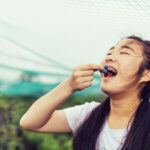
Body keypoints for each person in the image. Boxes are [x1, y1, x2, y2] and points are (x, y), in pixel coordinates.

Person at [19, 35, 150, 150]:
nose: (109, 58)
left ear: (146, 74)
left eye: (124, 53)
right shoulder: (88, 115)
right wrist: (68, 86)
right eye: (109, 53)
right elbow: (29, 122)